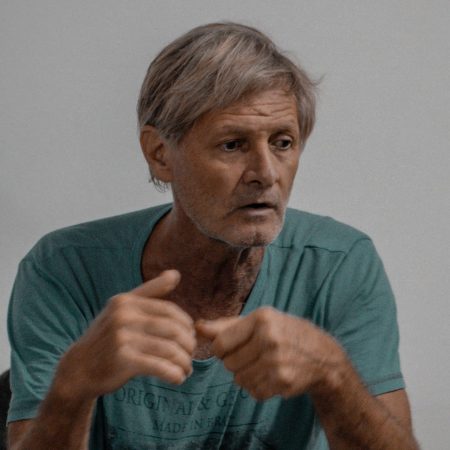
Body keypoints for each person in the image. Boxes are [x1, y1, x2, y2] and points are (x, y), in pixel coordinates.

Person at [7, 22, 419, 449]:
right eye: (232, 145)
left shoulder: (339, 263)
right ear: (160, 154)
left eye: (282, 143)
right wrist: (72, 387)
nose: (265, 174)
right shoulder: (64, 269)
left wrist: (333, 373)